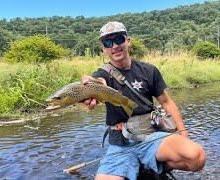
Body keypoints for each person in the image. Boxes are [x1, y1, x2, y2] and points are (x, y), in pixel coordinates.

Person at [81, 21, 206, 180]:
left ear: (128, 41)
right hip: (120, 144)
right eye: (108, 42)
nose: (115, 46)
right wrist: (89, 87)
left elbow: (166, 102)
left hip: (151, 137)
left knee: (197, 157)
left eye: (119, 39)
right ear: (104, 49)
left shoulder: (149, 70)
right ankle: (137, 166)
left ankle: (155, 167)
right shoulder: (103, 74)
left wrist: (182, 131)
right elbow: (98, 82)